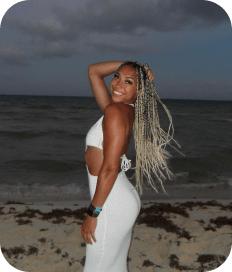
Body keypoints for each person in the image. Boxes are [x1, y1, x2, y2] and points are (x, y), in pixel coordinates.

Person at [81, 61, 181, 272]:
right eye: (116, 76)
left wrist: (92, 213)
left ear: (139, 90)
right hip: (118, 198)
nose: (117, 84)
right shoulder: (118, 109)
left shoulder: (116, 112)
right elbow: (94, 71)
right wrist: (136, 66)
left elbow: (109, 168)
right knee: (114, 267)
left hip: (110, 205)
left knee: (95, 268)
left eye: (129, 82)